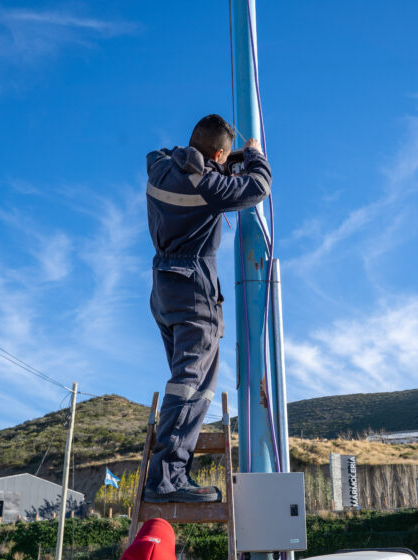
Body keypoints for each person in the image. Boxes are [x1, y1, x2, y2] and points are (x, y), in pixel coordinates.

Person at [143, 114, 272, 503]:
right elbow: (259, 186)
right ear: (218, 153)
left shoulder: (162, 169)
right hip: (194, 290)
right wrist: (252, 156)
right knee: (193, 384)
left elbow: (178, 160)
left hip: (163, 287)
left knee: (185, 381)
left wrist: (221, 162)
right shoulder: (208, 185)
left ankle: (173, 469)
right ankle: (167, 478)